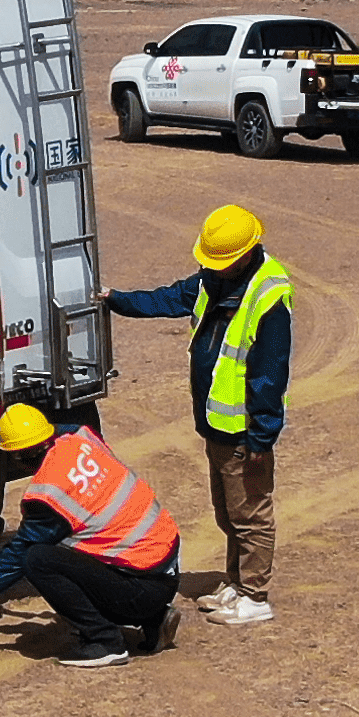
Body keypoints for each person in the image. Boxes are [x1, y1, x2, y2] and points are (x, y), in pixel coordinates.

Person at [100, 203, 291, 626]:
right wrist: (118, 301)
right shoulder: (215, 281)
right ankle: (237, 583)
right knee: (228, 512)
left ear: (245, 253)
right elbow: (170, 298)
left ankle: (255, 596)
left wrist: (262, 438)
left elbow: (269, 376)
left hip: (244, 432)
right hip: (217, 425)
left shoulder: (269, 297)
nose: (214, 268)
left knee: (251, 513)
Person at [0, 403, 182, 668]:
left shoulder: (47, 497)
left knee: (38, 558)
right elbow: (55, 431)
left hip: (142, 587)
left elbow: (16, 556)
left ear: (18, 457)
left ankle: (105, 642)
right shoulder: (81, 436)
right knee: (85, 538)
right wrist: (15, 433)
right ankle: (154, 619)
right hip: (165, 566)